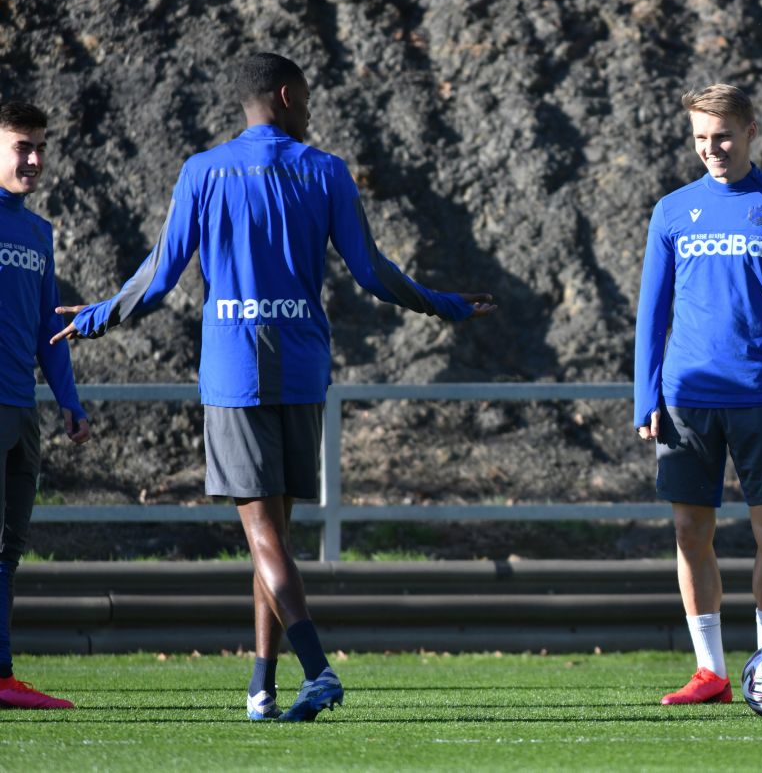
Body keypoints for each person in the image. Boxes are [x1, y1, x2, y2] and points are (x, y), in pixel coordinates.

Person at [51, 53, 496, 722]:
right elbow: (372, 272)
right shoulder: (326, 170)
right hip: (303, 369)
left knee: (263, 539)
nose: (310, 108)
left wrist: (94, 317)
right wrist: (444, 304)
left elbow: (161, 273)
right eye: (308, 97)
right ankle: (261, 687)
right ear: (287, 96)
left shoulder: (203, 171)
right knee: (277, 539)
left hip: (235, 373)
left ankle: (317, 670)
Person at [634, 84, 762, 705]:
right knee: (690, 531)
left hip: (761, 396)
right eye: (699, 138)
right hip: (686, 396)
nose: (711, 149)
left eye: (722, 136)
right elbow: (652, 312)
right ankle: (711, 672)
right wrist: (646, 396)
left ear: (752, 129)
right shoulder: (672, 211)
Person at [0, 102, 92, 710]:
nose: (34, 160)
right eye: (20, 147)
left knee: (8, 546)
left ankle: (2, 676)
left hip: (20, 409)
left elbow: (46, 330)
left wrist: (71, 401)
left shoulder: (38, 231)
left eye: (40, 148)